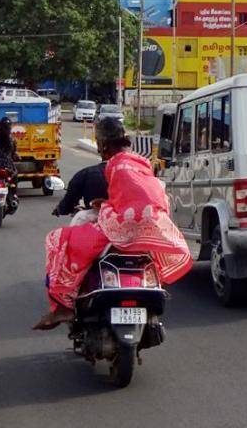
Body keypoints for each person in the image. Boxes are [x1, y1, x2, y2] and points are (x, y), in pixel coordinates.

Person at [34, 118, 192, 330]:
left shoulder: (115, 165)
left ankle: (63, 306)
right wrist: (108, 203)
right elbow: (136, 195)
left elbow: (127, 203)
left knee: (59, 239)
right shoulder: (141, 162)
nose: (99, 149)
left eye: (99, 144)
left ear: (104, 145)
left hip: (126, 227)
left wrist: (105, 207)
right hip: (155, 224)